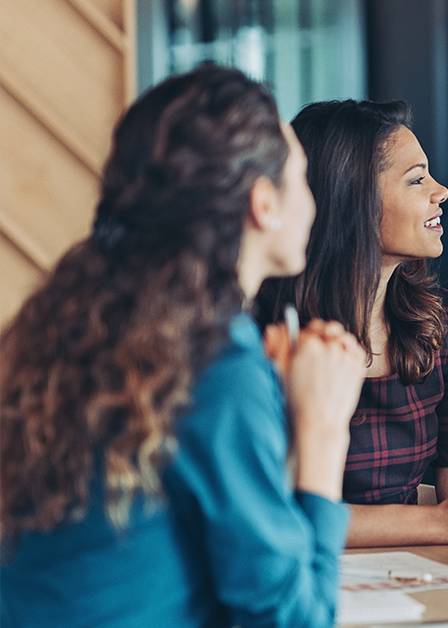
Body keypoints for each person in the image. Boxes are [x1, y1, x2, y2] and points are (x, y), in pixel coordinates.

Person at [0, 66, 367, 627]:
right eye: (302, 178)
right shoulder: (219, 358)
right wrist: (323, 427)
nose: (314, 203)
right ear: (263, 203)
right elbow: (292, 619)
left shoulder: (77, 325)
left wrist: (282, 427)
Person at [255, 100, 448, 547]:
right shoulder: (265, 332)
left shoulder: (441, 321)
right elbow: (267, 513)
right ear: (352, 198)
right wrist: (442, 522)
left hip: (414, 577)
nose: (441, 190)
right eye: (417, 179)